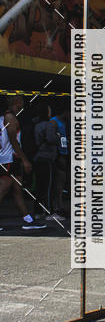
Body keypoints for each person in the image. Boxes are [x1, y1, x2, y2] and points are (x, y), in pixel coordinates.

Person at [0, 95, 46, 230]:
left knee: (17, 190)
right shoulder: (10, 118)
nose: (23, 103)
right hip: (9, 158)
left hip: (11, 158)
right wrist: (25, 160)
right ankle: (28, 220)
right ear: (17, 102)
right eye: (21, 100)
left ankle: (28, 220)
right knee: (3, 188)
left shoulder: (5, 117)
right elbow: (13, 141)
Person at [32, 101, 61, 221]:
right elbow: (51, 139)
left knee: (40, 186)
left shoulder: (36, 125)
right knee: (49, 186)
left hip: (37, 157)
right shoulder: (49, 125)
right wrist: (58, 136)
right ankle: (50, 212)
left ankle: (38, 211)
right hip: (47, 157)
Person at [50, 105, 69, 217]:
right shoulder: (54, 122)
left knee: (61, 182)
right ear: (66, 112)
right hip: (58, 155)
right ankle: (56, 206)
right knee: (57, 182)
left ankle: (59, 205)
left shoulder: (64, 122)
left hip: (64, 153)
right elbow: (53, 139)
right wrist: (59, 155)